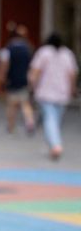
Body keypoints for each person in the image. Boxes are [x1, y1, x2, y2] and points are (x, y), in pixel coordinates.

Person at [29, 32, 78, 161]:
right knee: (54, 120)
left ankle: (55, 145)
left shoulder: (43, 52)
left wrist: (33, 85)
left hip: (46, 91)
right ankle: (53, 144)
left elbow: (36, 71)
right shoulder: (67, 54)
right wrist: (72, 89)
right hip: (62, 92)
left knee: (50, 119)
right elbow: (72, 74)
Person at [0, 23, 36, 135]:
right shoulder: (29, 48)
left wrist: (0, 79)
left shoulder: (8, 48)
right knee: (25, 103)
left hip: (12, 79)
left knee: (11, 104)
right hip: (24, 79)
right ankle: (30, 122)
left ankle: (11, 126)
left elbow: (4, 66)